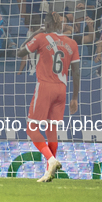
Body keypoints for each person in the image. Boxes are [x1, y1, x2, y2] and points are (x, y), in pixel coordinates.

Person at [16, 12, 80, 183]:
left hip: (45, 86)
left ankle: (51, 160)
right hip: (62, 89)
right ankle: (48, 172)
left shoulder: (41, 38)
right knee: (52, 130)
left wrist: (36, 32)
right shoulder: (72, 43)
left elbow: (19, 52)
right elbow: (76, 72)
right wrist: (75, 97)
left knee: (31, 128)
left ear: (47, 24)